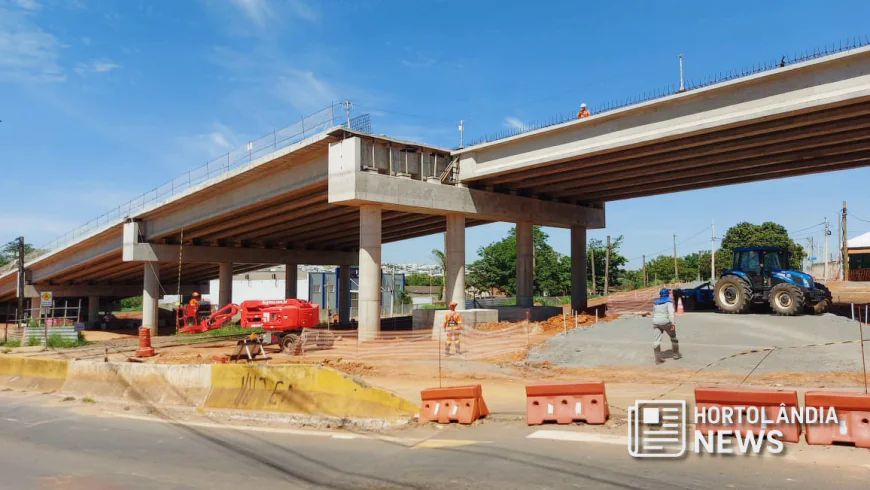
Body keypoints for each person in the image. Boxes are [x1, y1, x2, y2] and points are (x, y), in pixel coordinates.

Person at [652, 287, 682, 364]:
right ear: (667, 294)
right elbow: (671, 314)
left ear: (660, 295)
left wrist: (654, 322)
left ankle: (657, 359)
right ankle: (676, 355)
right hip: (666, 322)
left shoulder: (655, 302)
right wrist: (672, 323)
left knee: (656, 341)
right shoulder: (668, 302)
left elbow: (653, 313)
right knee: (673, 338)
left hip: (656, 323)